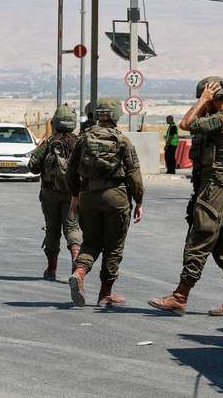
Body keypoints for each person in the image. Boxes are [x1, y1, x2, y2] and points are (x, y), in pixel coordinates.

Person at [148, 77, 223, 315]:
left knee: (199, 239)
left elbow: (186, 123)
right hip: (217, 188)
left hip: (215, 189)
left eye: (204, 98)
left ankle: (180, 296)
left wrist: (203, 100)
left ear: (213, 97)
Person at [66, 97, 145, 307]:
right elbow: (134, 175)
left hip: (89, 198)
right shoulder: (122, 140)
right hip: (115, 198)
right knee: (114, 247)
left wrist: (75, 194)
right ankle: (105, 294)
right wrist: (139, 201)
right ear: (116, 115)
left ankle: (80, 272)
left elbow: (70, 170)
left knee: (91, 242)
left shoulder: (83, 138)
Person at [28, 104, 83, 280]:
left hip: (50, 193)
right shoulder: (79, 142)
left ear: (55, 122)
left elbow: (33, 167)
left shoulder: (49, 142)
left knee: (52, 230)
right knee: (72, 227)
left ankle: (51, 270)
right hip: (73, 193)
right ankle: (76, 258)